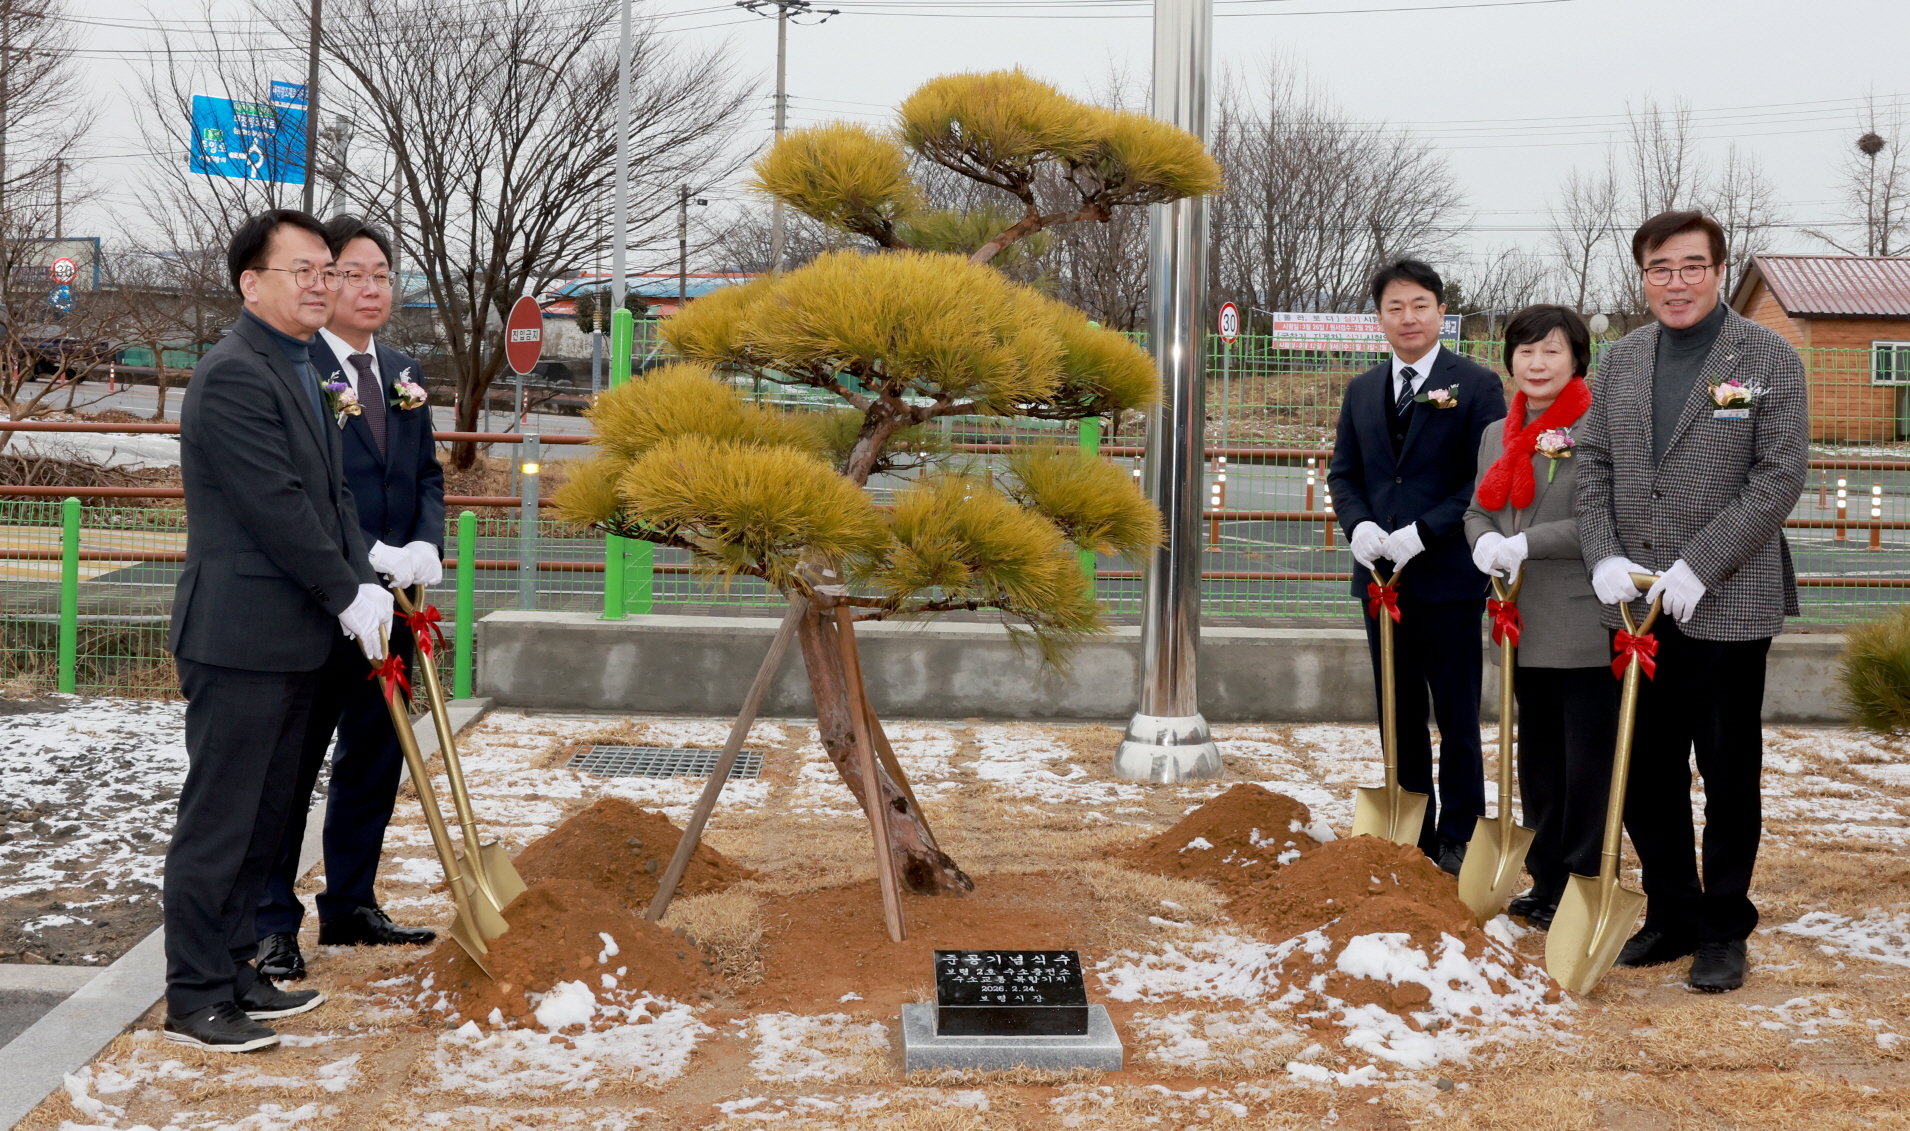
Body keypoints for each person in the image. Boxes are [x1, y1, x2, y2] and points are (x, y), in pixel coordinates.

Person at [164, 210, 393, 1052]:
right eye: (302, 269)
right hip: (240, 636)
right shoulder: (233, 374)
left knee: (266, 823)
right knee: (221, 820)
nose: (321, 284)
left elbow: (331, 500)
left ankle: (234, 971)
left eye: (326, 269)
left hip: (295, 637)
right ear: (249, 282)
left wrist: (365, 578)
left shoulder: (298, 365)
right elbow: (275, 506)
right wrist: (345, 589)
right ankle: (193, 993)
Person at [1575, 210, 1809, 993]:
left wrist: (1700, 565)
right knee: (1644, 769)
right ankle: (1670, 911)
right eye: (1659, 269)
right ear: (1642, 276)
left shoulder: (1765, 354)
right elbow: (1595, 466)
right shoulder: (1621, 359)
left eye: (1690, 266)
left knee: (1727, 772)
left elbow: (1777, 478)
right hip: (1636, 607)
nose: (1675, 283)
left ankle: (1722, 926)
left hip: (1728, 604)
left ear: (1717, 269)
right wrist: (1603, 553)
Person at [255, 216, 444, 981]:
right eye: (353, 273)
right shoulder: (300, 372)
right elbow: (300, 492)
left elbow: (426, 472)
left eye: (382, 276)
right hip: (322, 603)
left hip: (398, 603)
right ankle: (271, 922)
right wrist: (361, 557)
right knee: (292, 765)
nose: (370, 289)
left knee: (375, 753)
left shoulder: (400, 369)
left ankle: (352, 901)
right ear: (323, 282)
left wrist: (425, 544)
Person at [1328, 259, 1508, 873]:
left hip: (1449, 576)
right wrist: (1360, 527)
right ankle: (1409, 821)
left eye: (1420, 305)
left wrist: (1423, 531)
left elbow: (1484, 479)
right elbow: (1344, 474)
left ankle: (1458, 832)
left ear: (1440, 312)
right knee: (1396, 708)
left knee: (1456, 712)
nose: (1408, 318)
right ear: (1379, 317)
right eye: (1395, 307)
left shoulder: (1478, 385)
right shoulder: (1361, 389)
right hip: (1380, 579)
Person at [1462, 305, 1613, 928]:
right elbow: (1477, 507)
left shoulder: (1598, 426)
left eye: (1552, 350)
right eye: (1525, 350)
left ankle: (1582, 882)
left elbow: (1603, 520)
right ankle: (1545, 877)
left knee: (1587, 764)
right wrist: (1482, 542)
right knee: (1540, 762)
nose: (1537, 362)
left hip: (1580, 622)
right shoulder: (1499, 432)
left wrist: (1528, 543)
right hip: (1517, 622)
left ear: (1577, 358)